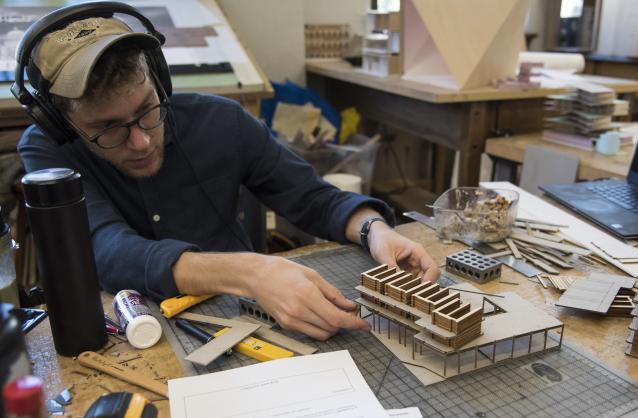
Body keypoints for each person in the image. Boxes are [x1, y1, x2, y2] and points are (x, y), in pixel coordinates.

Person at [15, 8, 439, 341]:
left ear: (159, 82)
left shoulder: (223, 122)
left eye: (147, 110)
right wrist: (251, 273)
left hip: (244, 317)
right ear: (64, 123)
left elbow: (313, 198)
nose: (142, 141)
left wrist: (374, 230)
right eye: (108, 129)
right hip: (133, 328)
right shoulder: (48, 147)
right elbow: (106, 248)